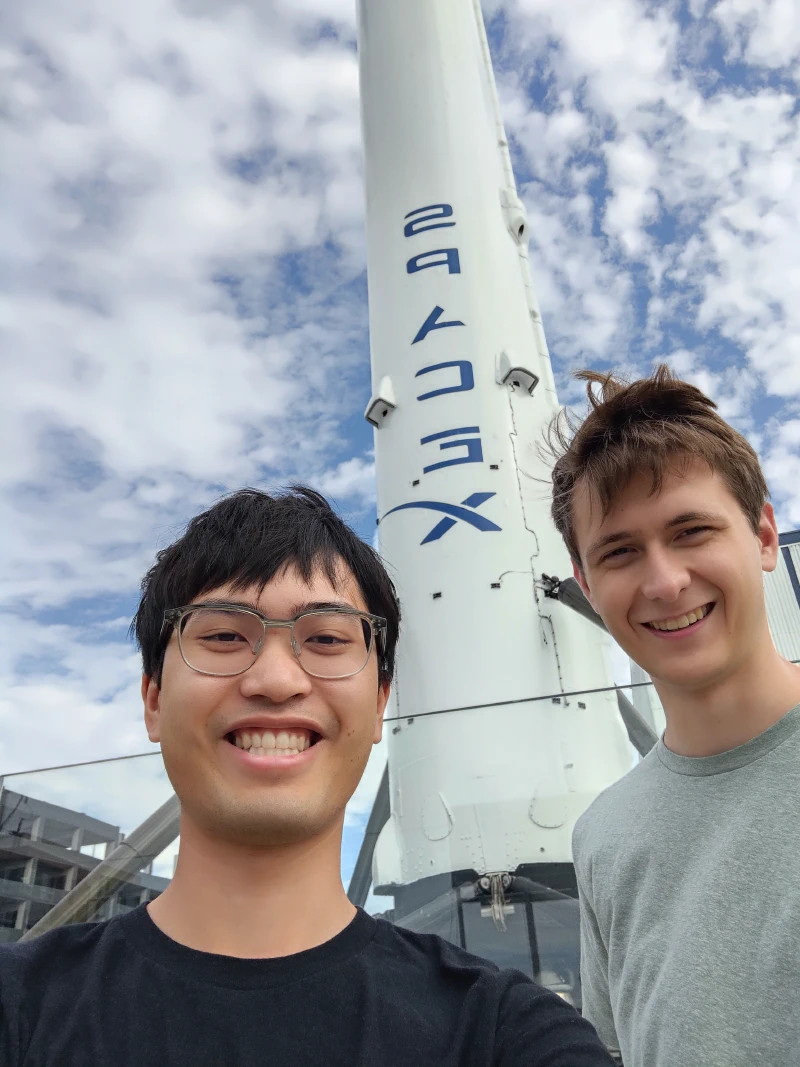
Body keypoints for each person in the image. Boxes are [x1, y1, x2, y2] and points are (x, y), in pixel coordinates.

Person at [0, 486, 614, 1067]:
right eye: (221, 634)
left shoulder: (504, 1034)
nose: (276, 679)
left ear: (380, 705)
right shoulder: (18, 1011)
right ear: (154, 701)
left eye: (325, 637)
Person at [548, 366, 800, 1067]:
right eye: (621, 551)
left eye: (692, 531)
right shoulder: (604, 834)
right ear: (588, 586)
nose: (664, 582)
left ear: (763, 535)